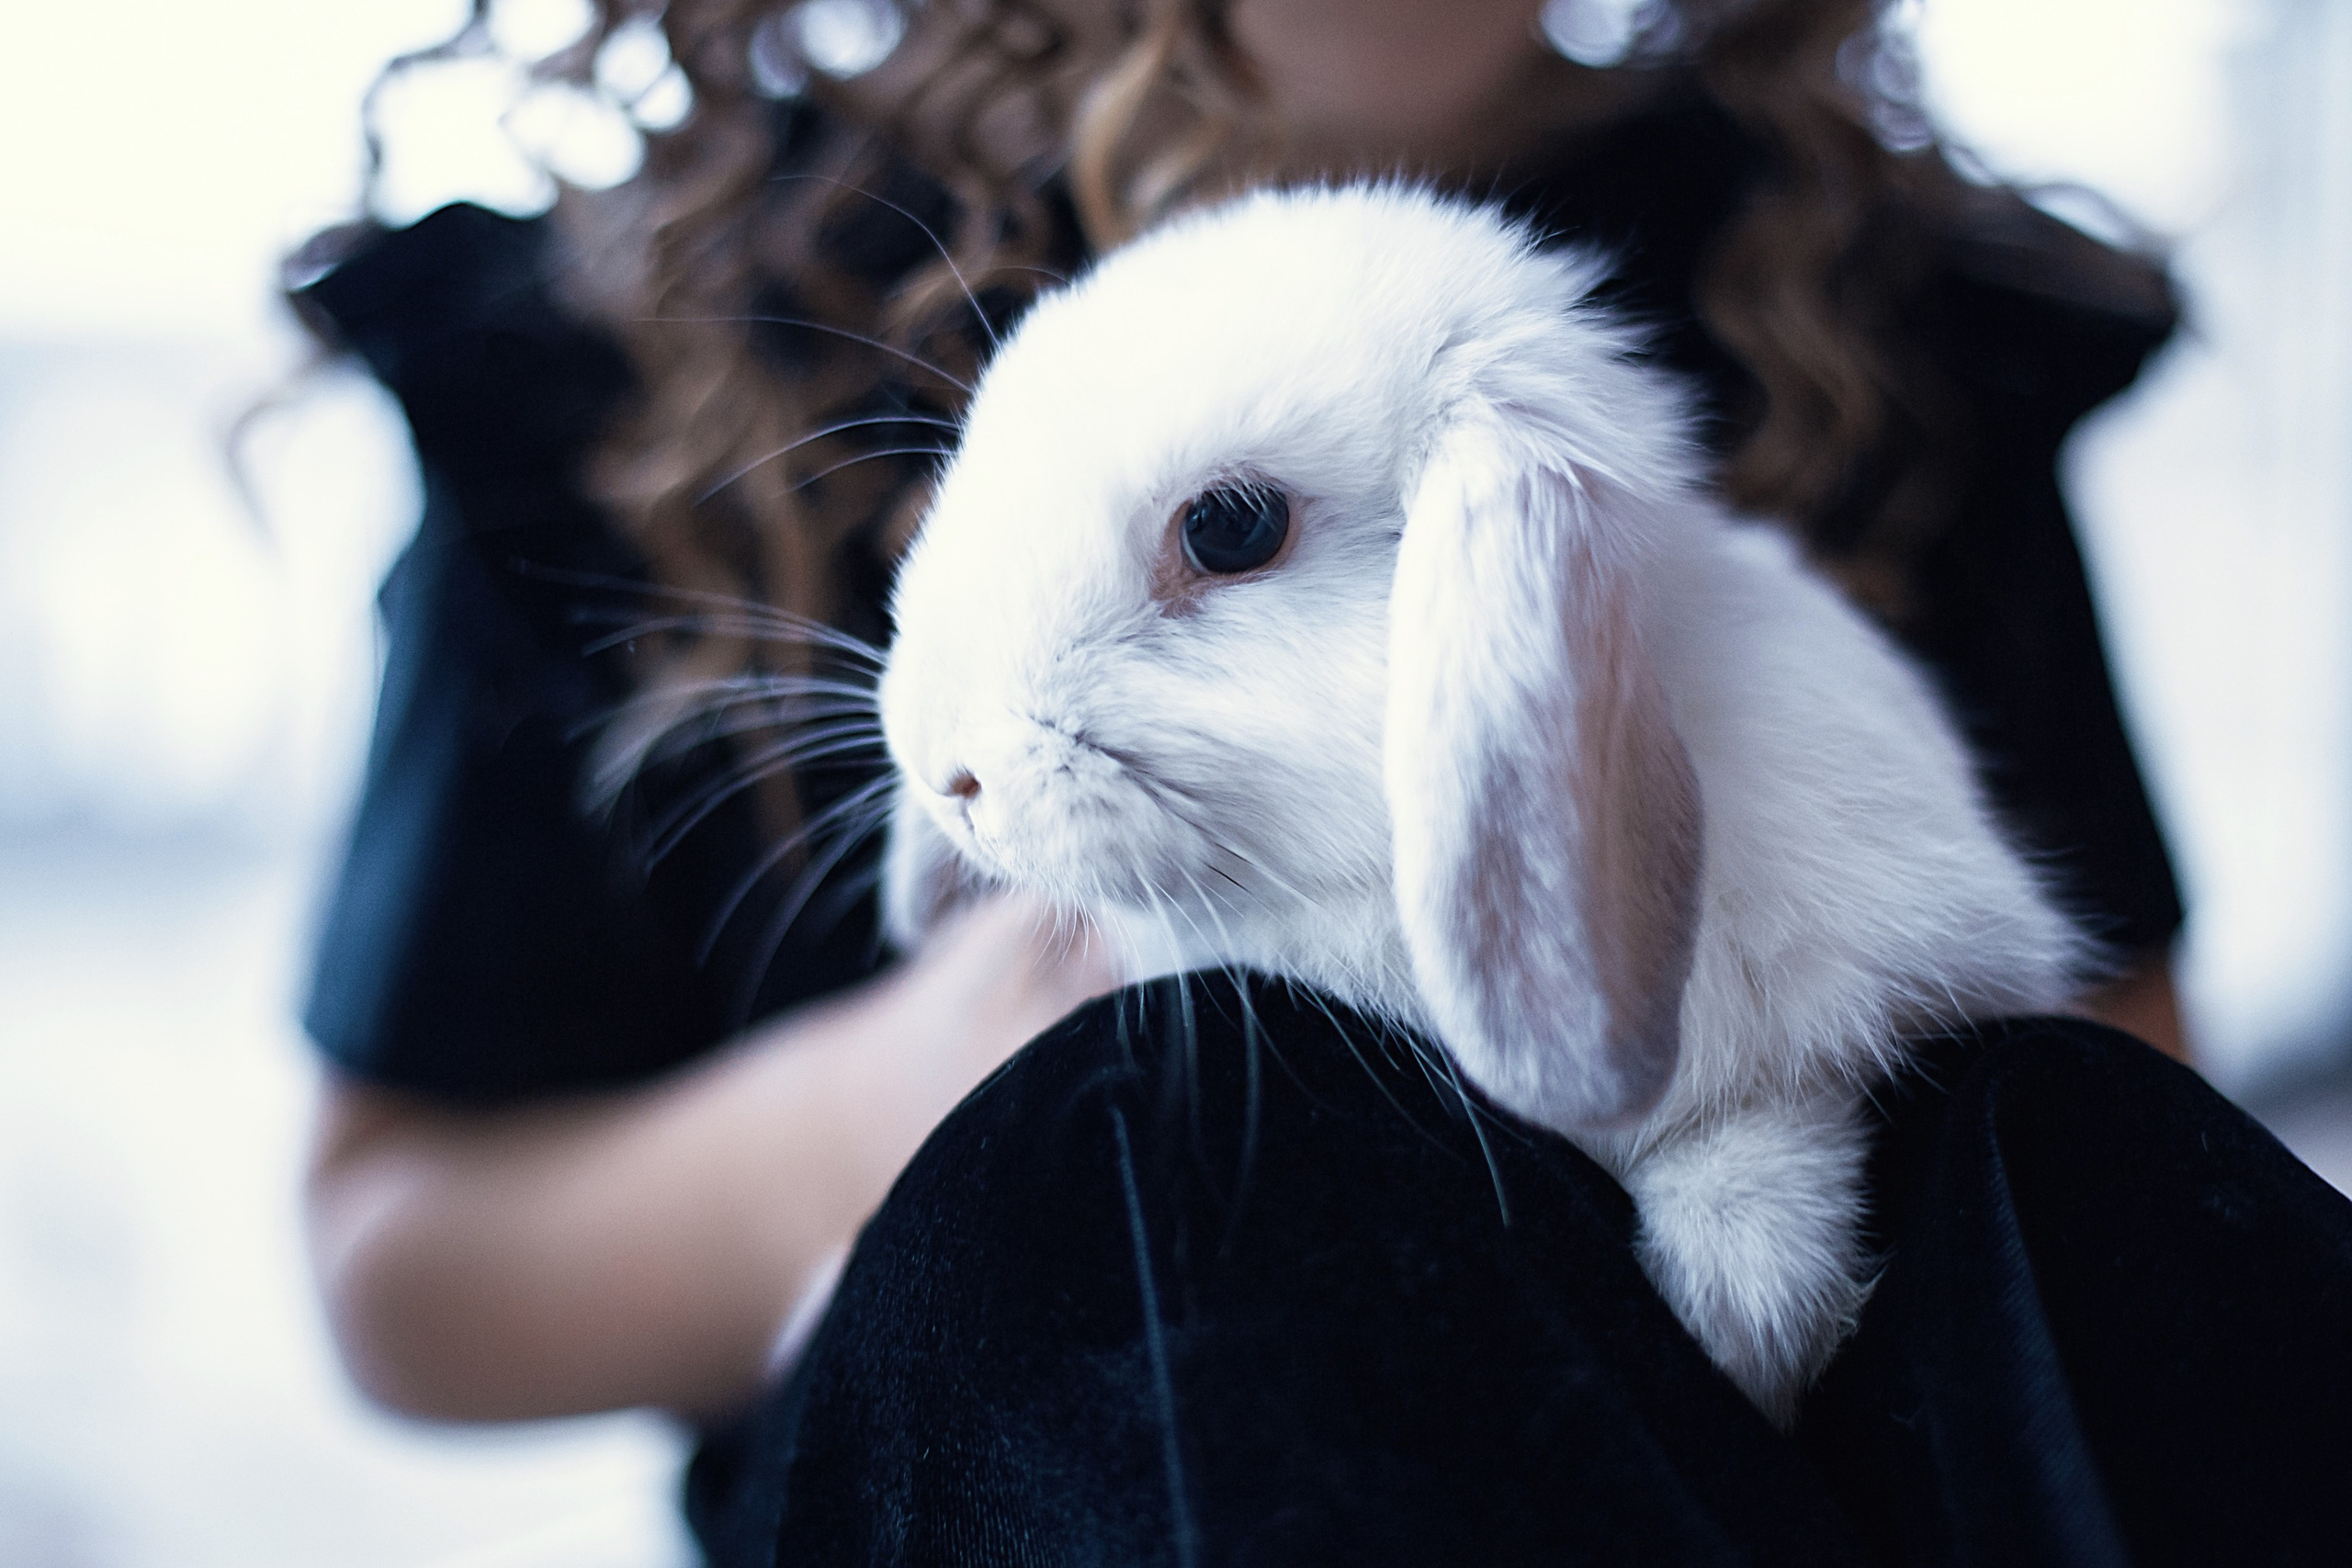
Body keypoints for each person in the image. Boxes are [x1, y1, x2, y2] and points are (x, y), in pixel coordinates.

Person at [295, 0, 2309, 1559]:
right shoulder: (625, 339)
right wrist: (868, 1119)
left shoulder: (1879, 319)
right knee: (1174, 1158)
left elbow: (2104, 1108)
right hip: (1082, 1465)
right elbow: (400, 1261)